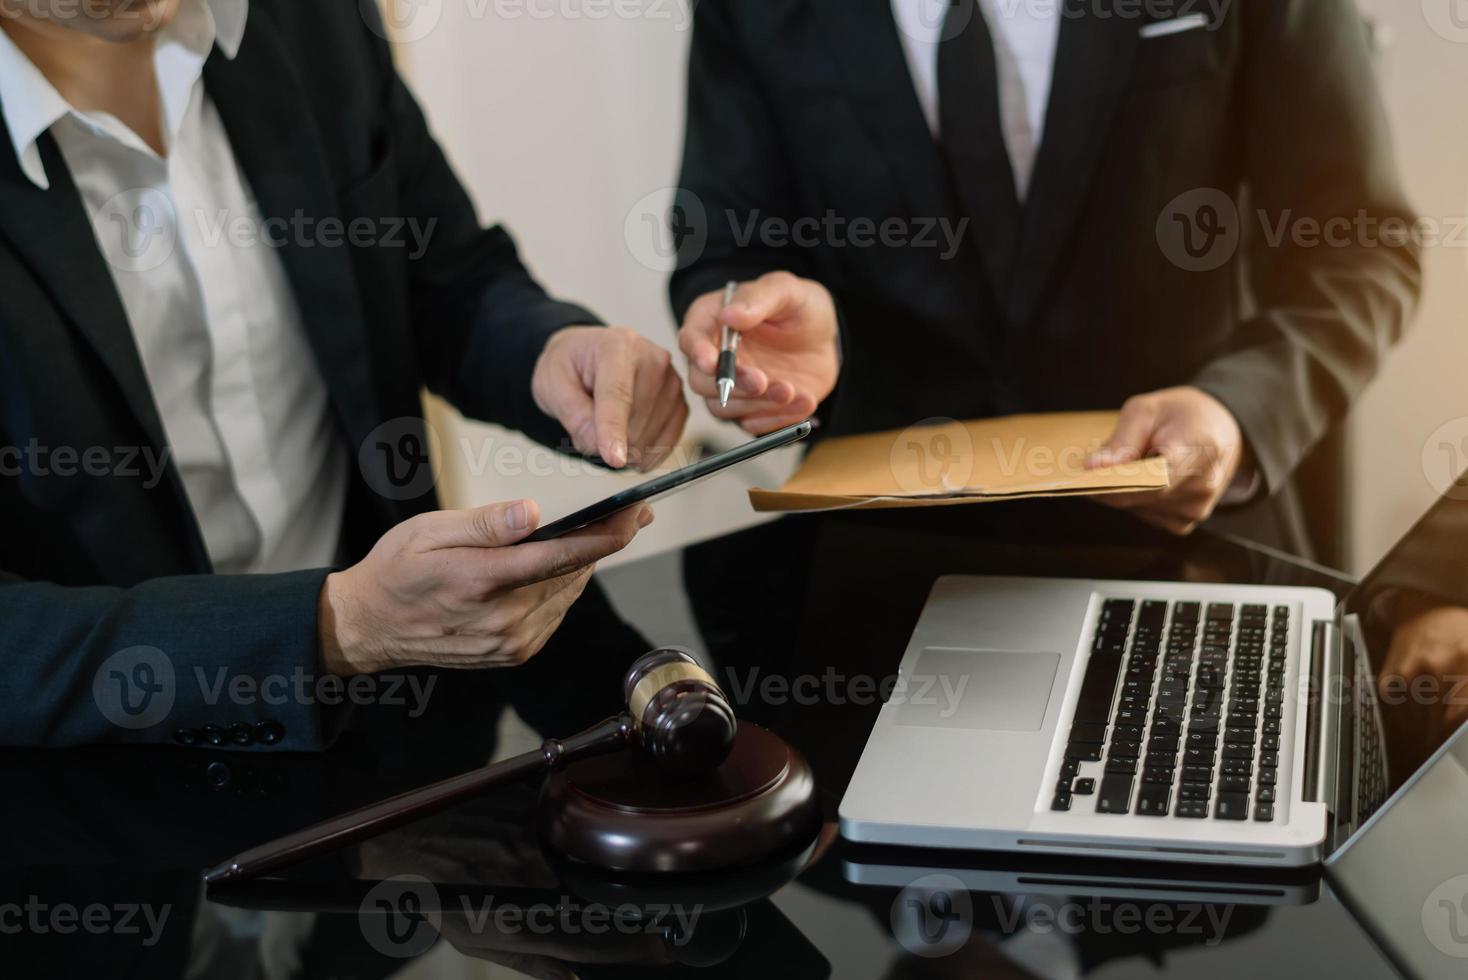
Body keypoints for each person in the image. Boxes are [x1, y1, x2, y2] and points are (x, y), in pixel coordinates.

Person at [0, 0, 689, 748]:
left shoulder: (309, 18)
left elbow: (442, 278)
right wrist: (336, 625)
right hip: (99, 798)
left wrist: (552, 353)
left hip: (403, 732)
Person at [671, 0, 1420, 555]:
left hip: (1189, 535)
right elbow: (730, 247)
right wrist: (748, 329)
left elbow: (1362, 245)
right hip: (886, 551)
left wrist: (1239, 411)